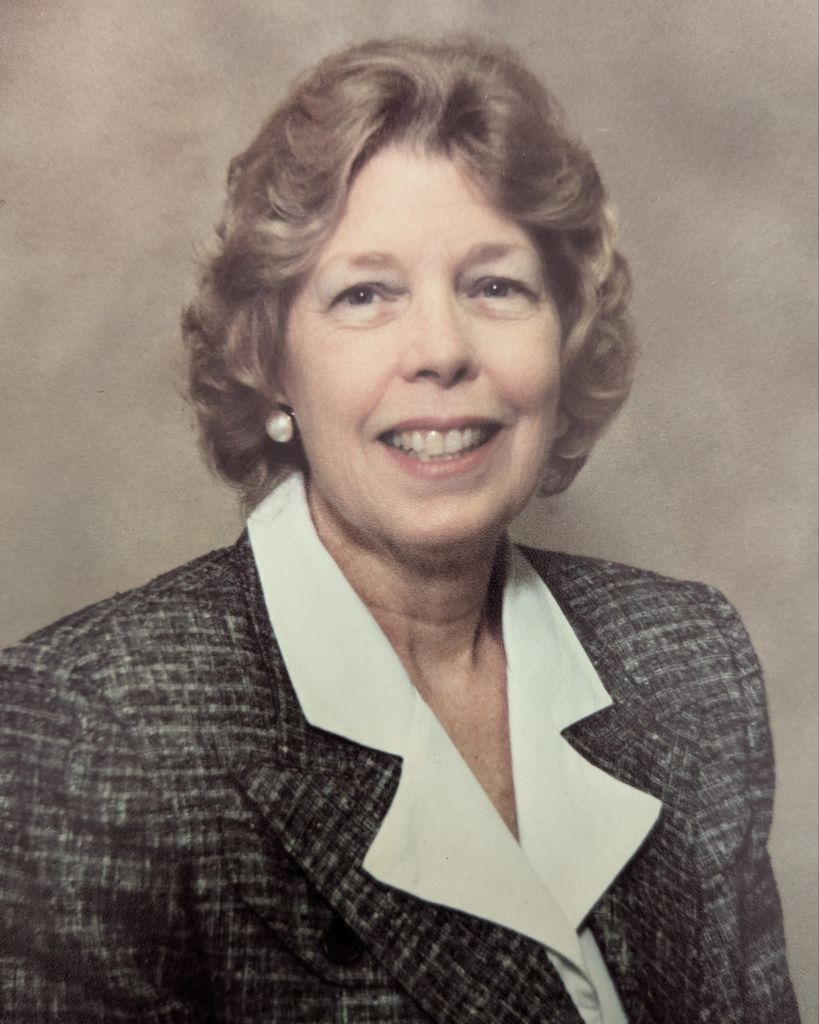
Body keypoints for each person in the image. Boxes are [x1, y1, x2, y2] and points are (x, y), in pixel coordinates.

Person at [0, 35, 800, 1024]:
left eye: (495, 285)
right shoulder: (97, 729)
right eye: (365, 294)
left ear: (564, 337)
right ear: (270, 359)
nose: (441, 350)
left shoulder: (689, 663)